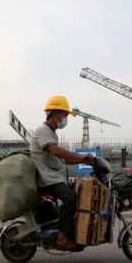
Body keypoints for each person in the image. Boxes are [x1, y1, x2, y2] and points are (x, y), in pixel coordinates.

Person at [29, 95, 95, 251]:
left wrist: (84, 161)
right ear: (56, 113)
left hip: (53, 178)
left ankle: (68, 231)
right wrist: (81, 156)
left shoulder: (51, 132)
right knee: (70, 197)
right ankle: (62, 238)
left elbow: (62, 160)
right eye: (65, 114)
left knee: (75, 196)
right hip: (47, 179)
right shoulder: (43, 131)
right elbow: (55, 151)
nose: (66, 118)